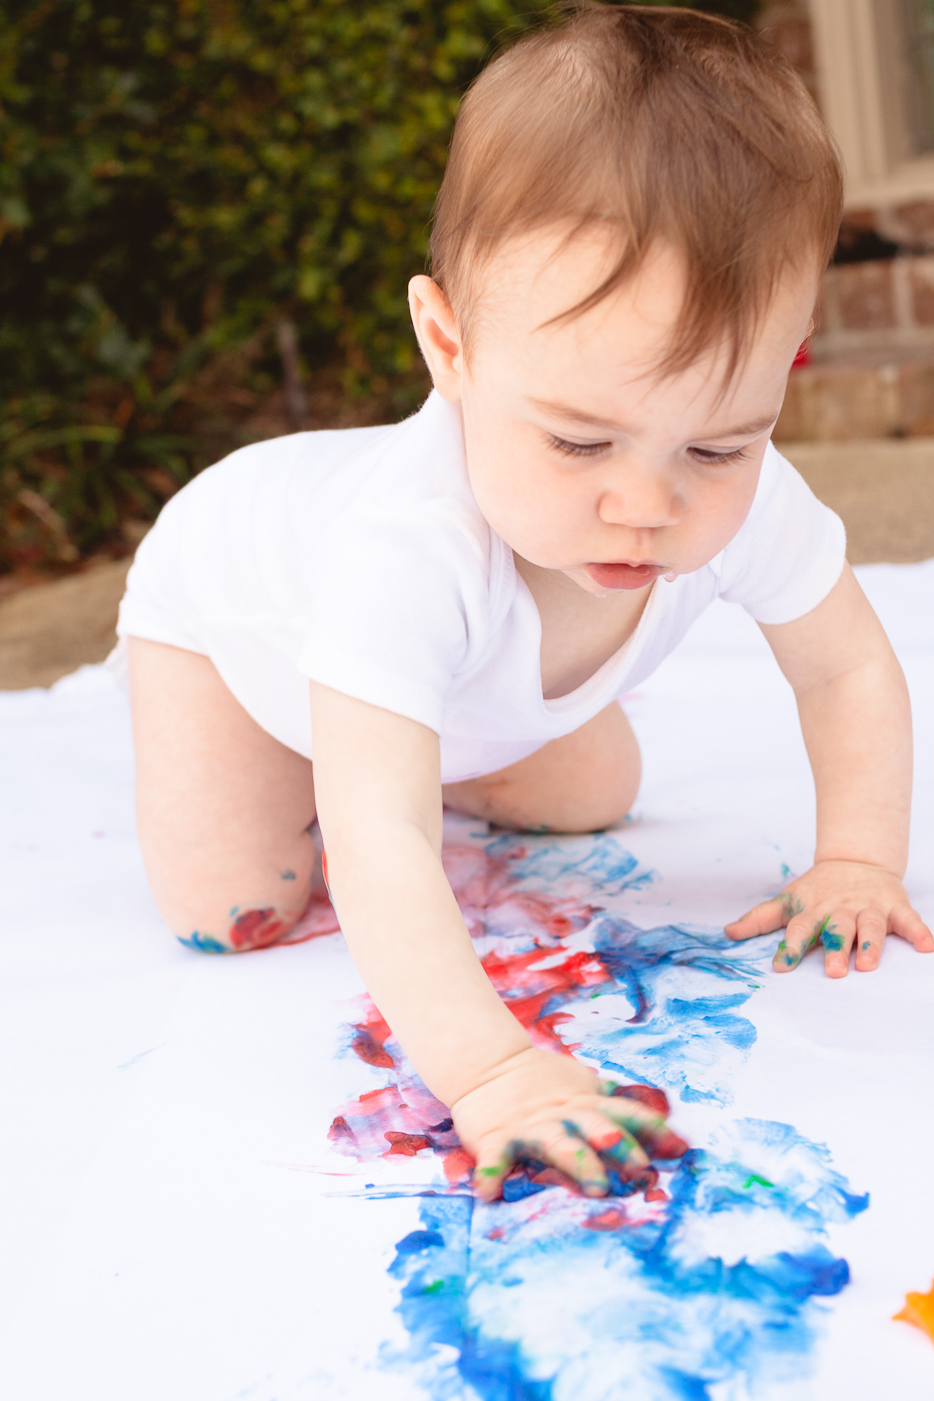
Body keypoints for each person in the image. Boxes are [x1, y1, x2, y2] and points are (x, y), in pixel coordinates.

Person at [116, 5, 934, 1201]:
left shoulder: (746, 501)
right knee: (230, 907)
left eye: (719, 445)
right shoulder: (406, 548)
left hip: (445, 675)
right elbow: (381, 841)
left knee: (595, 793)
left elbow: (846, 668)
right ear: (448, 344)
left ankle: (415, 733)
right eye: (577, 441)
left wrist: (860, 857)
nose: (645, 506)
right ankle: (361, 740)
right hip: (231, 625)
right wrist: (493, 1071)